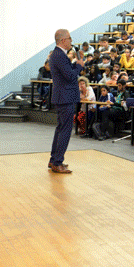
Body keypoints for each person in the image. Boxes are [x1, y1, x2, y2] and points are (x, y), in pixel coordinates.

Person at [48, 29, 84, 174]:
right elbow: (70, 76)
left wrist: (76, 64)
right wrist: (80, 66)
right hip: (65, 97)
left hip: (63, 97)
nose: (71, 41)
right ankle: (57, 162)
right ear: (63, 40)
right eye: (69, 38)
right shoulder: (59, 56)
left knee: (60, 129)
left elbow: (68, 73)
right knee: (65, 130)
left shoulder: (58, 55)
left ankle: (54, 160)